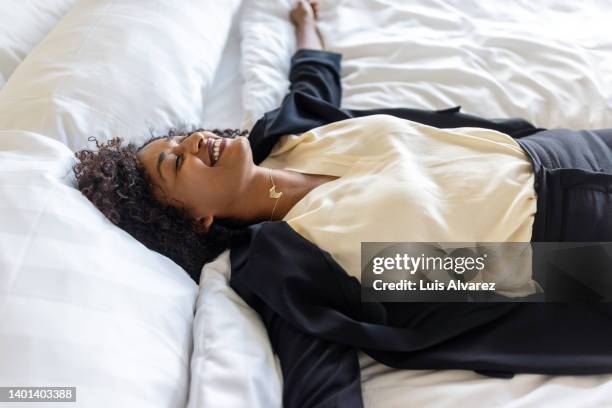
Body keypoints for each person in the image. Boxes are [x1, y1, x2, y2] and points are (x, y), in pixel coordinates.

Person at [75, 1, 612, 406]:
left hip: (568, 153)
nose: (189, 142)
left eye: (178, 138)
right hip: (569, 252)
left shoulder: (291, 133)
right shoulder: (285, 261)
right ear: (196, 220)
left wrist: (305, 30)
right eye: (174, 163)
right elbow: (320, 377)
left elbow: (313, 83)